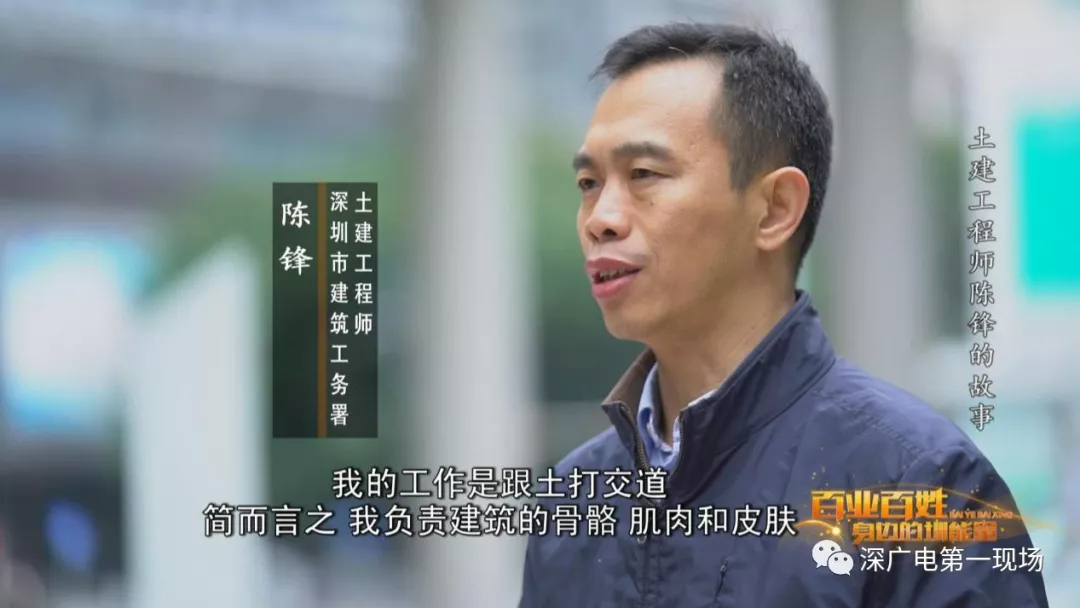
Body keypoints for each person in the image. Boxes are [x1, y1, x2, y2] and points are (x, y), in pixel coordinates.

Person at [518, 22, 1048, 607]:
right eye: (588, 183)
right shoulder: (573, 500)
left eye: (643, 174)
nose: (600, 219)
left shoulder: (924, 485)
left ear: (775, 208)